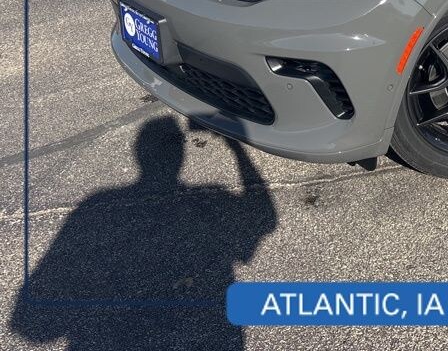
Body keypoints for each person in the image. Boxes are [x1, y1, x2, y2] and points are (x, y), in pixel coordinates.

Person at [10, 116, 277, 350]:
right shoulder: (212, 199)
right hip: (212, 325)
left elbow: (33, 327)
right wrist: (236, 149)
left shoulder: (95, 205)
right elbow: (264, 219)